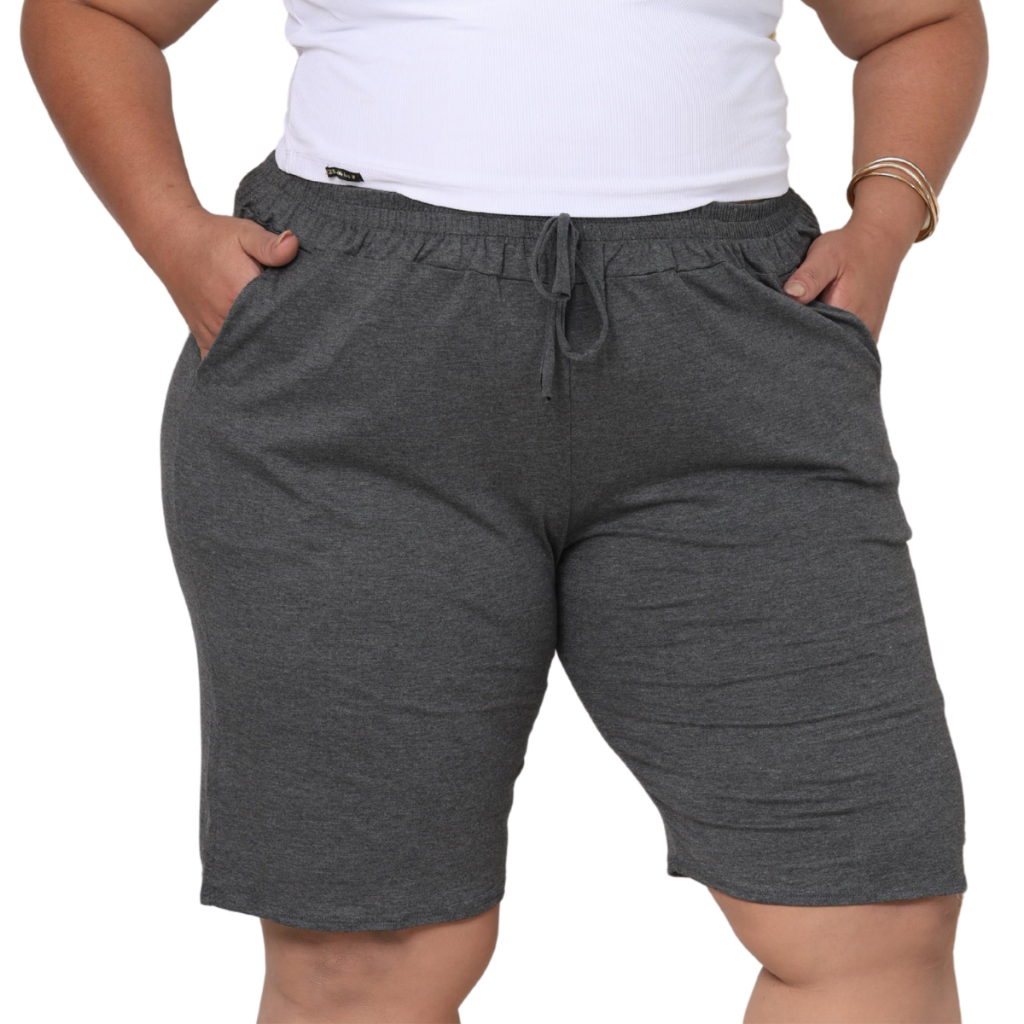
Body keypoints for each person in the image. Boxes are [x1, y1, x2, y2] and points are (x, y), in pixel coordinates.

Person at [22, 0, 987, 1020]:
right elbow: (90, 13)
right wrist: (173, 237)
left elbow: (917, 21)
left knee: (869, 917)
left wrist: (888, 216)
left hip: (735, 363)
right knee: (366, 958)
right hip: (356, 372)